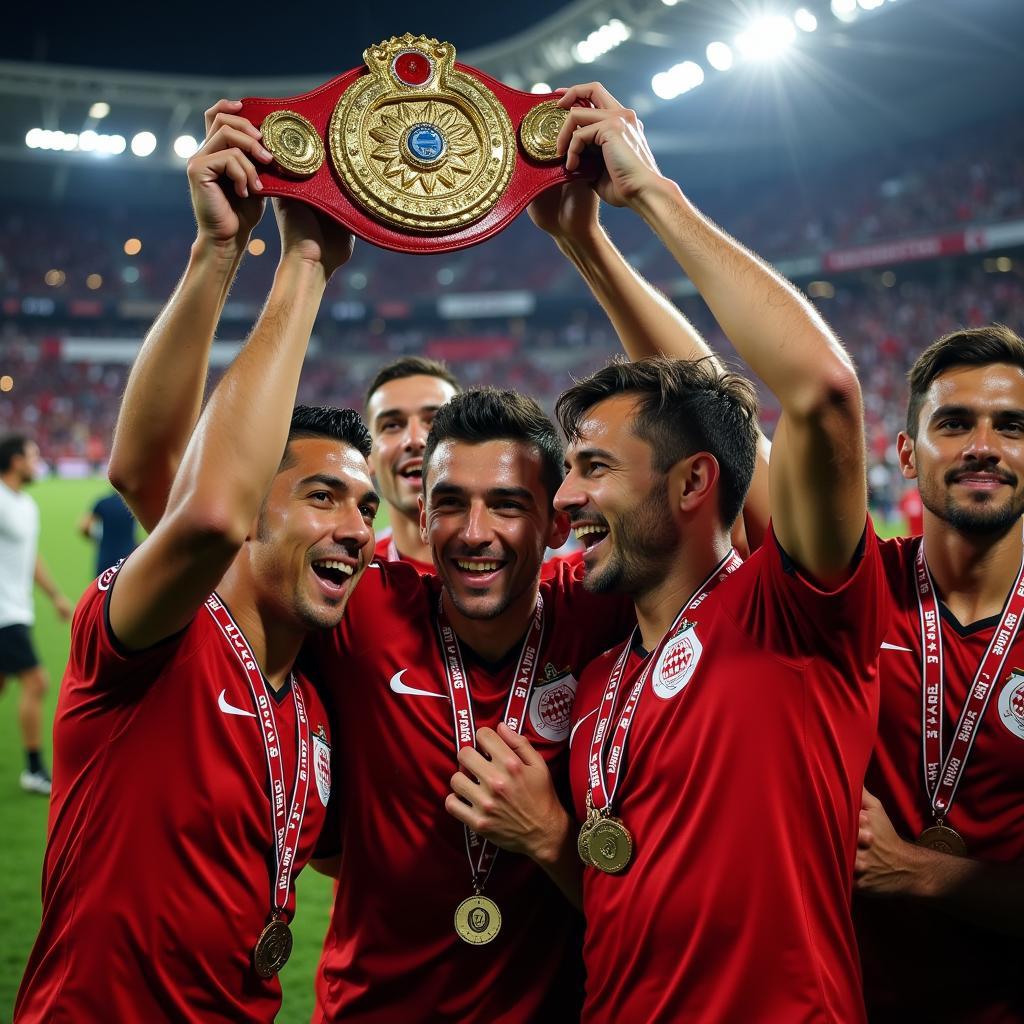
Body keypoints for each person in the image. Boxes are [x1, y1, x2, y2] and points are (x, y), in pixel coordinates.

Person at [448, 83, 888, 1022]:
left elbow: (818, 391)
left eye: (594, 469)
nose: (563, 497)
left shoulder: (794, 612)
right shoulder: (603, 678)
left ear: (693, 486)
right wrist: (557, 842)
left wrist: (649, 195)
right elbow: (634, 899)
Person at [15, 125, 376, 1021]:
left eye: (368, 509)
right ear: (258, 503)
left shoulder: (314, 707)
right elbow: (188, 498)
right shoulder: (149, 642)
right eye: (324, 495)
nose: (355, 528)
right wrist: (281, 260)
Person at [854, 324, 1024, 1022]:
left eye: (1011, 425)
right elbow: (735, 423)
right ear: (905, 454)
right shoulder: (856, 593)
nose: (982, 445)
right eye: (954, 423)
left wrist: (922, 872)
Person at [0, 434, 72, 795]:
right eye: (32, 455)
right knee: (37, 682)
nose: (38, 460)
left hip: (19, 609)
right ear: (15, 461)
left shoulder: (26, 506)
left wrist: (56, 595)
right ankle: (33, 770)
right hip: (3, 615)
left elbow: (30, 558)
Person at [363, 355, 460, 572]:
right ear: (369, 457)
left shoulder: (532, 576)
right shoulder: (347, 580)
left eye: (436, 421)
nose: (415, 440)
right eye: (392, 425)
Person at [78, 489, 138, 576]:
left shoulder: (102, 503)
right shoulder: (132, 503)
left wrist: (96, 538)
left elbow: (84, 527)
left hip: (106, 553)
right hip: (128, 554)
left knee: (104, 586)